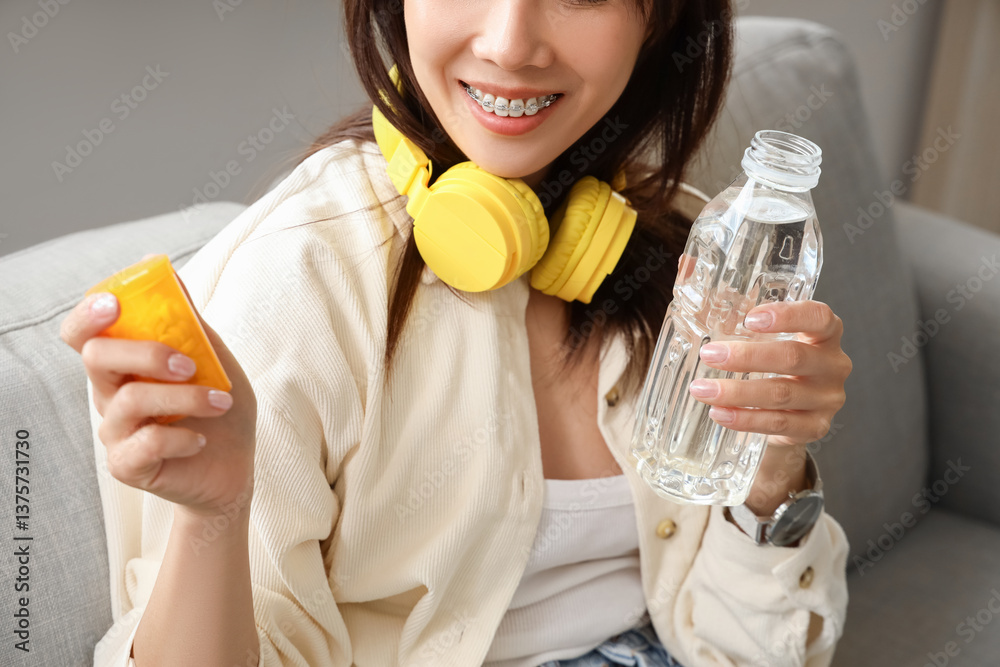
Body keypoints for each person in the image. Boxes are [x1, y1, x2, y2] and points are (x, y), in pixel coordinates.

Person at [59, 0, 852, 665]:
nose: (509, 43)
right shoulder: (296, 281)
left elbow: (747, 650)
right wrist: (217, 515)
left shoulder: (679, 242)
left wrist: (770, 464)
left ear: (661, 19)